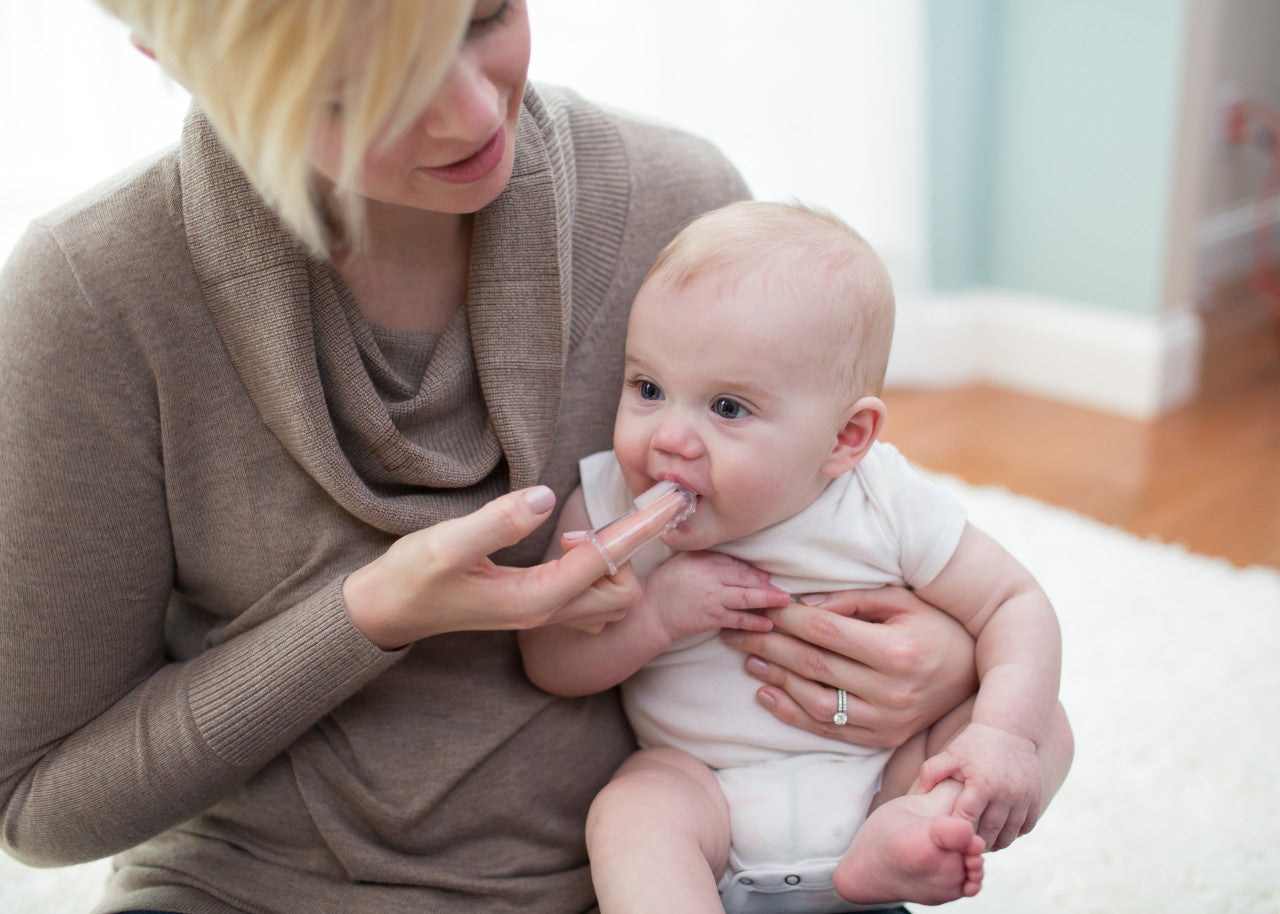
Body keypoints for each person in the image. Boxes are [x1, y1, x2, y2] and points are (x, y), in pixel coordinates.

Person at [0, 3, 981, 912]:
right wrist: (369, 615)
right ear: (178, 62)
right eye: (365, 89)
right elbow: (37, 806)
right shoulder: (93, 296)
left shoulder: (676, 206)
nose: (471, 113)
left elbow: (828, 532)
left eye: (483, 15)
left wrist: (942, 670)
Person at [520, 201, 1074, 913]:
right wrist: (655, 614)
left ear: (845, 439)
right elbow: (550, 663)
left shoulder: (882, 500)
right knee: (631, 809)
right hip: (708, 791)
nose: (669, 439)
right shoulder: (607, 502)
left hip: (887, 777)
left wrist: (1000, 736)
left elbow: (1014, 604)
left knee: (1043, 724)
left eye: (727, 408)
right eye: (648, 389)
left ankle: (908, 835)